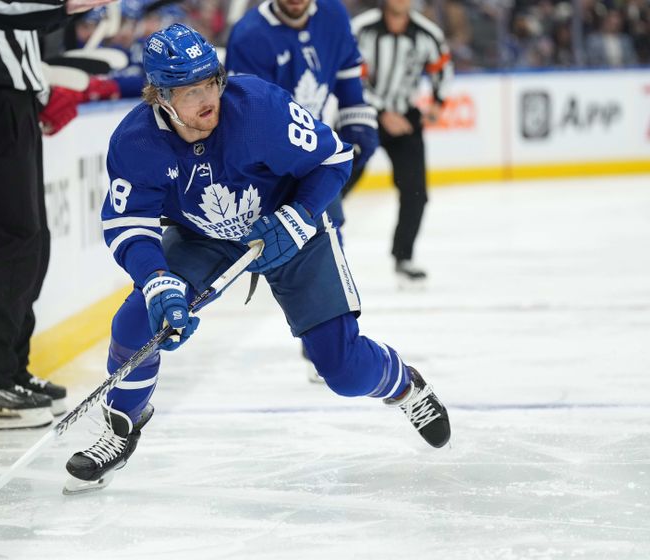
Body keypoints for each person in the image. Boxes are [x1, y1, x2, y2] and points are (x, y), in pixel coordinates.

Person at [63, 23, 451, 494]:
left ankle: (405, 386)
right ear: (160, 97)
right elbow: (129, 225)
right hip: (206, 237)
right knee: (134, 321)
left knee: (344, 371)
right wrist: (158, 280)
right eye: (190, 90)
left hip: (293, 228)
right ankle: (122, 426)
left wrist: (300, 215)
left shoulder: (259, 109)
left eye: (211, 82)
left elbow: (333, 159)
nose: (208, 98)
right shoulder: (135, 142)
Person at [0, 0, 112, 430]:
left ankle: (12, 371)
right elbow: (7, 9)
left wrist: (41, 90)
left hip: (14, 101)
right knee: (11, 240)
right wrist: (67, 4)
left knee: (32, 240)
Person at [225, 0, 379, 238]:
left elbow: (347, 65)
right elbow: (251, 116)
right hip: (269, 158)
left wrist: (355, 111)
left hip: (310, 145)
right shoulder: (250, 35)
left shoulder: (333, 13)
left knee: (328, 229)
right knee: (295, 236)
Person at [353, 0, 454, 282]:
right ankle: (311, 245)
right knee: (338, 181)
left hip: (406, 118)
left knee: (415, 193)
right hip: (362, 114)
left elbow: (443, 69)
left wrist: (438, 102)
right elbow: (348, 74)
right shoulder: (362, 29)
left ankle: (403, 257)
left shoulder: (427, 33)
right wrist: (381, 112)